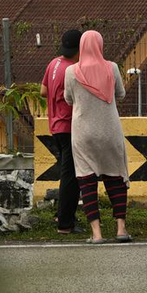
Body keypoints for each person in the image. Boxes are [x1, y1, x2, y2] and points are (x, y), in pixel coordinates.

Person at [64, 30, 131, 242]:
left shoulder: (72, 71)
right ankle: (121, 229)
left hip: (83, 132)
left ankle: (97, 234)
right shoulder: (112, 67)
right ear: (100, 45)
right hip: (110, 130)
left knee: (87, 180)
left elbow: (68, 99)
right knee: (115, 177)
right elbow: (120, 94)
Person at [41, 27, 84, 234]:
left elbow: (43, 91)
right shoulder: (73, 70)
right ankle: (65, 223)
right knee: (71, 176)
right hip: (69, 126)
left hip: (55, 126)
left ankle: (63, 214)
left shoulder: (53, 63)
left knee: (68, 173)